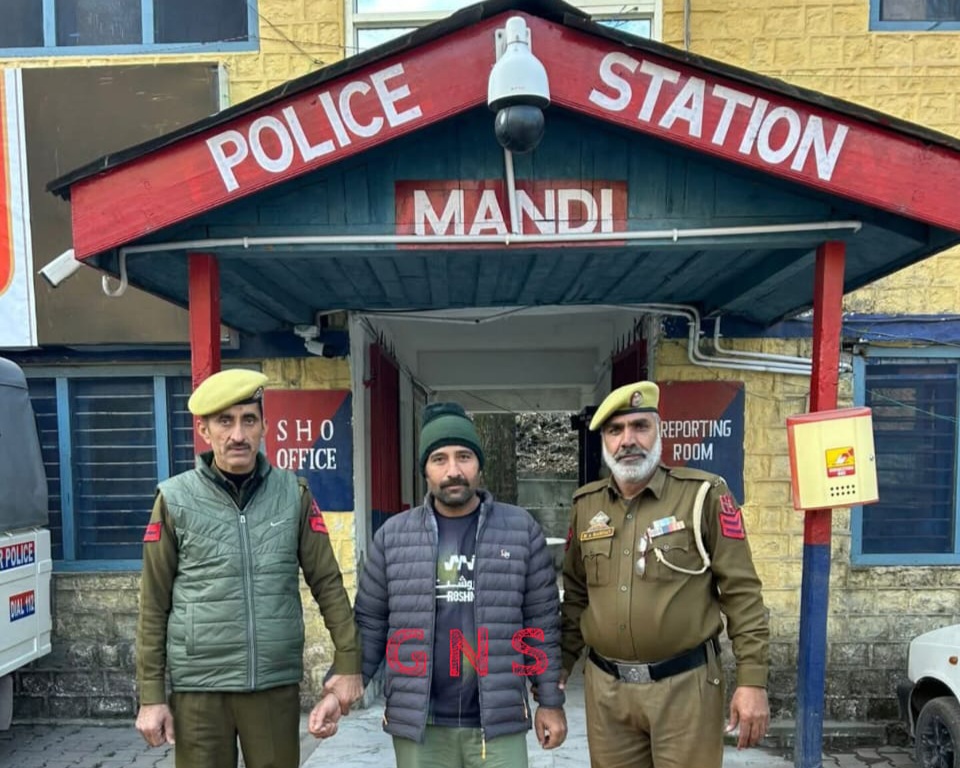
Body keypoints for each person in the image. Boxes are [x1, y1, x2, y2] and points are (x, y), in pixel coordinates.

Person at [134, 369, 363, 768]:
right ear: (204, 430)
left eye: (249, 420)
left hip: (272, 685)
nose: (237, 434)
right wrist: (151, 695)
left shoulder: (292, 494)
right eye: (225, 421)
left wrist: (348, 661)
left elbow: (327, 584)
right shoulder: (175, 499)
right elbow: (153, 603)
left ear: (264, 427)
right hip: (199, 689)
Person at [560, 380, 770, 768]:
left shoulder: (703, 495)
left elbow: (742, 593)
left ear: (659, 432)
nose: (627, 440)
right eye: (615, 430)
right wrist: (560, 666)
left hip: (685, 689)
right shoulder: (586, 506)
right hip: (607, 692)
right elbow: (575, 595)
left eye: (640, 426)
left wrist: (752, 680)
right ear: (604, 441)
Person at [347, 402, 567, 767]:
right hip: (422, 725)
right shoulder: (394, 537)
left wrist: (550, 702)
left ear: (479, 464)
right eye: (439, 459)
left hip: (498, 724)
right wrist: (345, 683)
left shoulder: (520, 530)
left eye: (464, 457)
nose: (453, 471)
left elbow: (540, 624)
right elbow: (371, 622)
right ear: (425, 470)